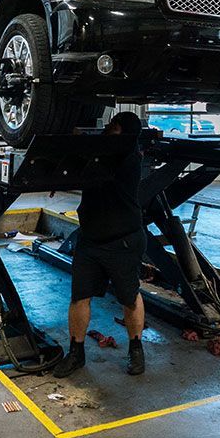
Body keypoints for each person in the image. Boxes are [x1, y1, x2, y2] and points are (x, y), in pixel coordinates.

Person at [54, 111, 148, 378]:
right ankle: (76, 352)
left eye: (113, 126)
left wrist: (78, 139)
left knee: (129, 297)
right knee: (79, 297)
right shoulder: (105, 152)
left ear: (125, 132)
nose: (107, 127)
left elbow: (91, 156)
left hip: (123, 242)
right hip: (90, 240)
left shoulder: (126, 156)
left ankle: (136, 348)